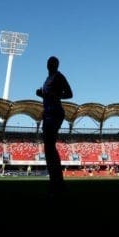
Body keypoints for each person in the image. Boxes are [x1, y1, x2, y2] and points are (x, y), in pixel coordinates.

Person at [35, 55, 73, 197]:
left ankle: (57, 181)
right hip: (48, 113)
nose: (51, 65)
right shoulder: (47, 79)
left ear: (56, 65)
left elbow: (70, 94)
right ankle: (56, 180)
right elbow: (49, 96)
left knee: (49, 146)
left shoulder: (58, 76)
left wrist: (54, 96)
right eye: (49, 62)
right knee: (48, 147)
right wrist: (42, 94)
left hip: (55, 112)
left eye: (53, 63)